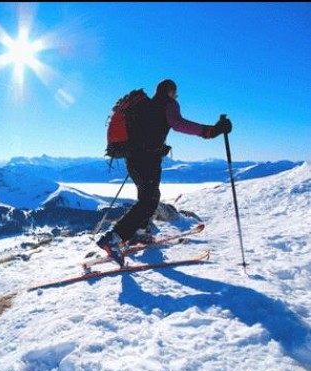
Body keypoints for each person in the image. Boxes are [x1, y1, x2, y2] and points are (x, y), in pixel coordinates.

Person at [96, 79, 232, 266]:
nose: (176, 97)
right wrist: (211, 131)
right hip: (146, 160)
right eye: (175, 93)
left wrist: (156, 148)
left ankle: (140, 233)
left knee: (147, 197)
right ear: (170, 91)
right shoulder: (167, 104)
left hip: (133, 159)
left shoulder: (144, 107)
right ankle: (114, 238)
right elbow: (178, 124)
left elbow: (146, 134)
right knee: (149, 201)